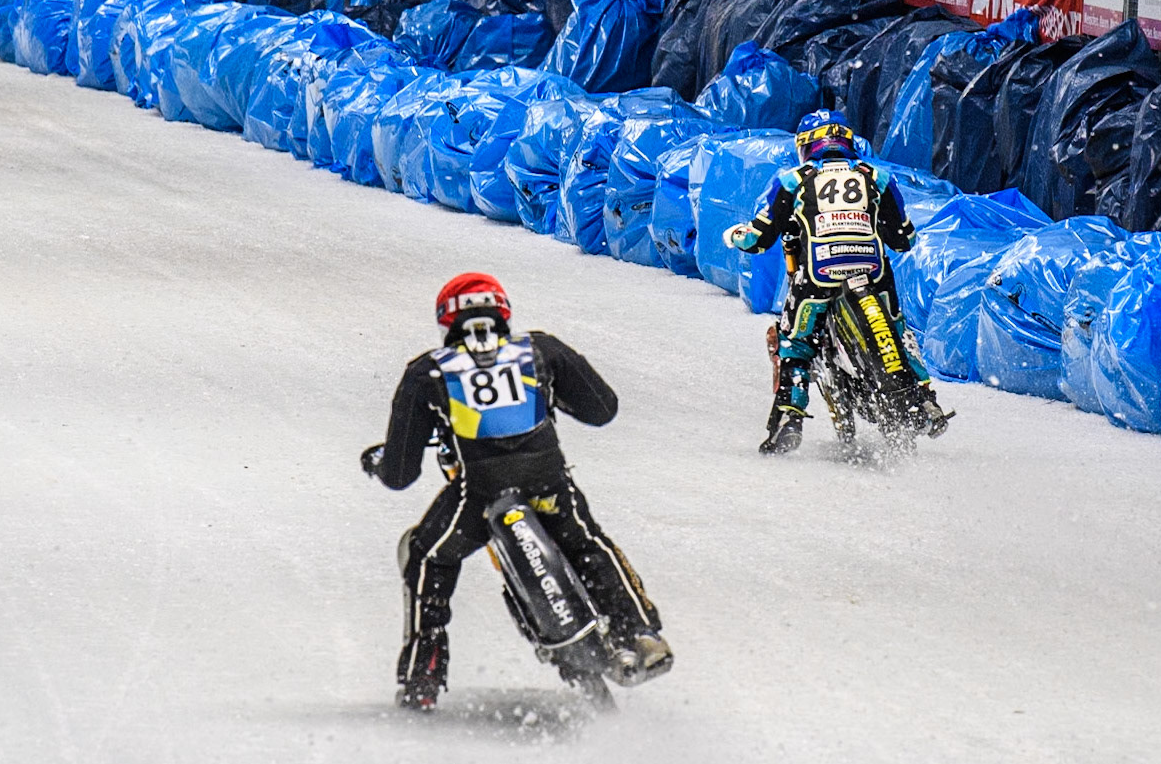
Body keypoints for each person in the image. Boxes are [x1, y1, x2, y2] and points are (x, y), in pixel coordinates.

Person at [362, 274, 671, 709]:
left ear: (446, 320)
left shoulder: (428, 372)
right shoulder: (541, 349)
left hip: (477, 496)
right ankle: (638, 632)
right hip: (549, 483)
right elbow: (602, 409)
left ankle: (423, 673)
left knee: (427, 555)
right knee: (586, 541)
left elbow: (400, 474)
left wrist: (379, 462)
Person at [725, 110, 951, 454]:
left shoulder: (792, 180)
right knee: (898, 326)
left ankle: (789, 417)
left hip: (818, 274)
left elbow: (758, 239)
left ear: (805, 146)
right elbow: (904, 239)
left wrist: (735, 235)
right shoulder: (877, 176)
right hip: (872, 273)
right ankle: (925, 399)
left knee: (795, 342)